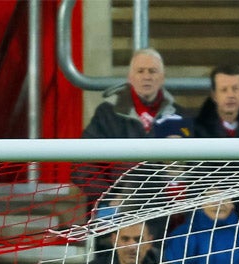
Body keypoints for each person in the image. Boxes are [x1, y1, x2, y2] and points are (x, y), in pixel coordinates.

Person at [72, 48, 191, 209]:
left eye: (153, 71)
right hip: (115, 209)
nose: (147, 76)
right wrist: (109, 198)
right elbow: (82, 164)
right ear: (130, 77)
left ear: (162, 78)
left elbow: (195, 167)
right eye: (140, 71)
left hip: (164, 210)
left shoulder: (179, 116)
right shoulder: (107, 114)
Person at [193, 64, 239, 139]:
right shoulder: (196, 131)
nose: (231, 95)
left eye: (235, 89)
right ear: (214, 95)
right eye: (224, 90)